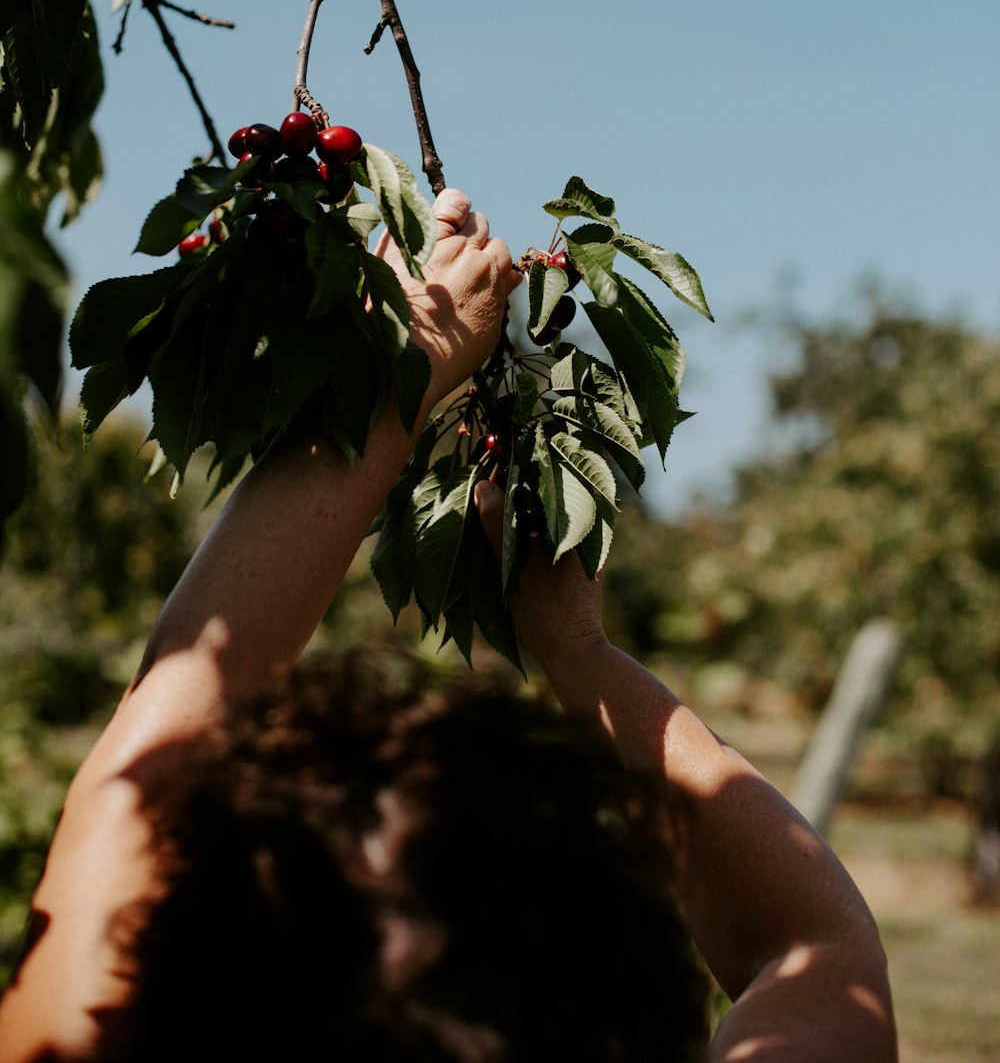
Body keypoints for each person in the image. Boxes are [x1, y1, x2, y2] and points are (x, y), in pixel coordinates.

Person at [0, 191, 897, 1063]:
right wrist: (578, 650)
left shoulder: (65, 1038)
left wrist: (412, 364)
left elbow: (181, 696)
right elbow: (819, 950)